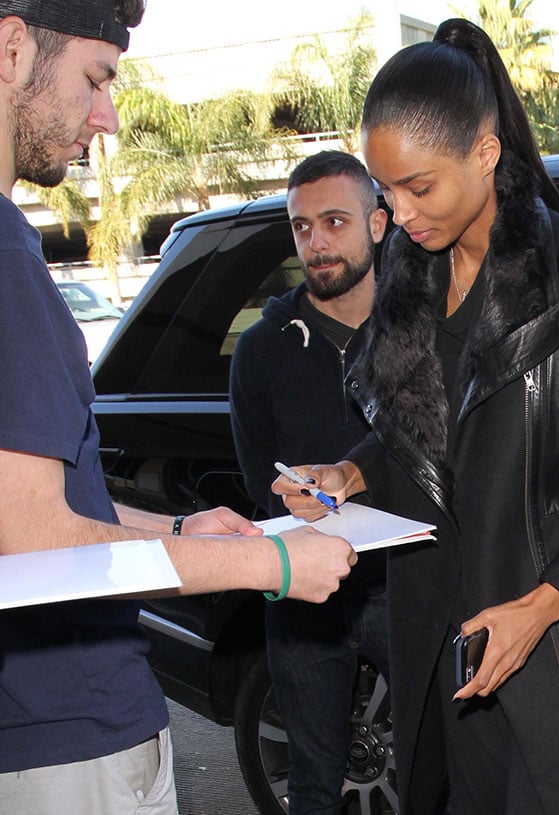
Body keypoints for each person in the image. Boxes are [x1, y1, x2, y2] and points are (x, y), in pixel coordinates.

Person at [272, 18, 559, 815]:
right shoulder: (415, 283)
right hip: (452, 658)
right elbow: (436, 445)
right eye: (385, 190)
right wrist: (353, 470)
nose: (397, 214)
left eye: (419, 187)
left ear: (486, 154)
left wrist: (540, 605)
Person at [0, 4, 356, 814]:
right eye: (95, 77)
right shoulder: (6, 264)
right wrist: (272, 563)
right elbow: (32, 542)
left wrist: (176, 529)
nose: (109, 114)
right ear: (13, 47)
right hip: (67, 732)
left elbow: (39, 507)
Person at [230, 150, 389, 814]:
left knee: (444, 758)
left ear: (378, 224)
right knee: (314, 781)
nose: (316, 243)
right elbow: (256, 475)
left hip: (404, 583)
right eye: (301, 227)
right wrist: (287, 499)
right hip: (301, 595)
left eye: (333, 221)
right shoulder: (261, 349)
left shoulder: (422, 329)